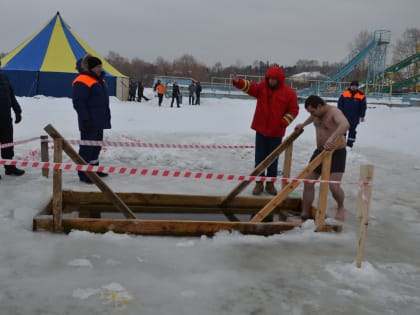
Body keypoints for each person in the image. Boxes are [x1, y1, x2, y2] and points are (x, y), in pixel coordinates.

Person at [232, 65, 299, 196]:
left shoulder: (289, 93)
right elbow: (251, 87)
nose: (271, 81)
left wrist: (283, 122)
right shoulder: (262, 87)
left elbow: (294, 110)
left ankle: (270, 184)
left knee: (273, 159)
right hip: (261, 130)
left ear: (279, 80)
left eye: (274, 79)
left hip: (276, 133)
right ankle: (258, 183)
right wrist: (238, 81)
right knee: (259, 158)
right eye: (269, 79)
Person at [295, 95, 350, 221]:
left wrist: (332, 137)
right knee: (308, 181)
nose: (312, 114)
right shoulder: (317, 114)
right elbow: (312, 117)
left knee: (333, 185)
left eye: (313, 111)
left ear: (319, 106)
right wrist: (303, 124)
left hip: (337, 152)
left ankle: (341, 206)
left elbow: (345, 124)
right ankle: (305, 211)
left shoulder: (334, 112)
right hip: (320, 151)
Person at [72, 54, 111, 183]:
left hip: (100, 120)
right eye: (98, 66)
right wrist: (85, 118)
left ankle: (94, 169)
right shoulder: (82, 80)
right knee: (87, 148)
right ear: (91, 68)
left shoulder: (101, 80)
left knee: (96, 146)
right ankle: (84, 174)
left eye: (101, 66)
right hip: (89, 121)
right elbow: (79, 102)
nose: (100, 69)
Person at [0, 72, 25, 178]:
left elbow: (11, 95)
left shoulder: (4, 77)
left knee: (8, 143)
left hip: (5, 117)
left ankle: (9, 167)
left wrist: (17, 111)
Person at [337, 80, 367, 148]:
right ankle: (342, 144)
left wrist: (362, 116)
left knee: (352, 131)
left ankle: (349, 145)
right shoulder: (345, 94)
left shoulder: (361, 95)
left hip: (355, 117)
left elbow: (363, 107)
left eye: (355, 86)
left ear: (357, 87)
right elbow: (340, 104)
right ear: (350, 86)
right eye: (352, 86)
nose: (354, 87)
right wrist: (340, 113)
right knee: (342, 131)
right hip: (344, 117)